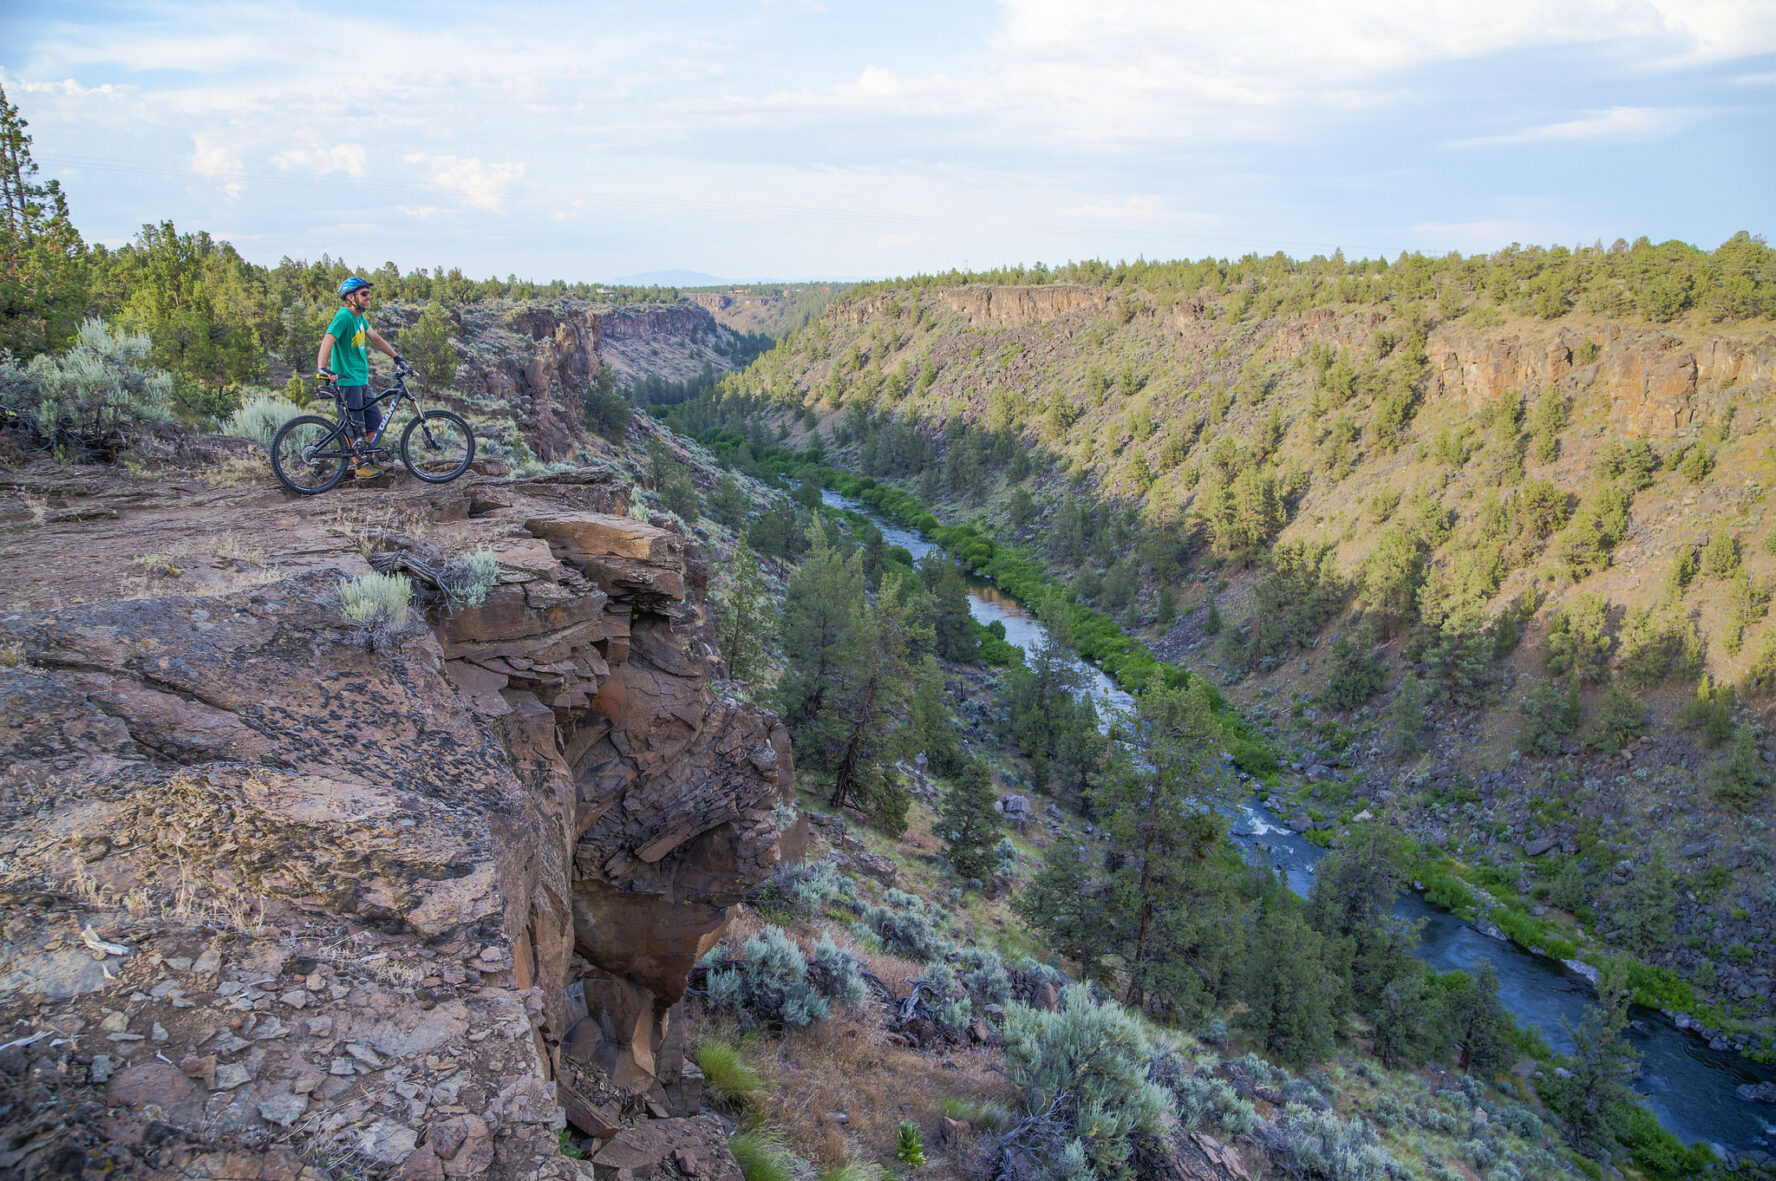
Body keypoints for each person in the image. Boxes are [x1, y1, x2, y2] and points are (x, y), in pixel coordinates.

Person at [316, 276, 405, 477]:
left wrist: (396, 357)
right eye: (364, 293)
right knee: (353, 426)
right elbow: (328, 339)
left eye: (368, 293)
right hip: (347, 381)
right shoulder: (344, 317)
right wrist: (322, 368)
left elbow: (375, 338)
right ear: (350, 297)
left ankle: (370, 460)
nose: (368, 296)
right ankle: (359, 466)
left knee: (375, 422)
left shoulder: (359, 318)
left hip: (362, 380)